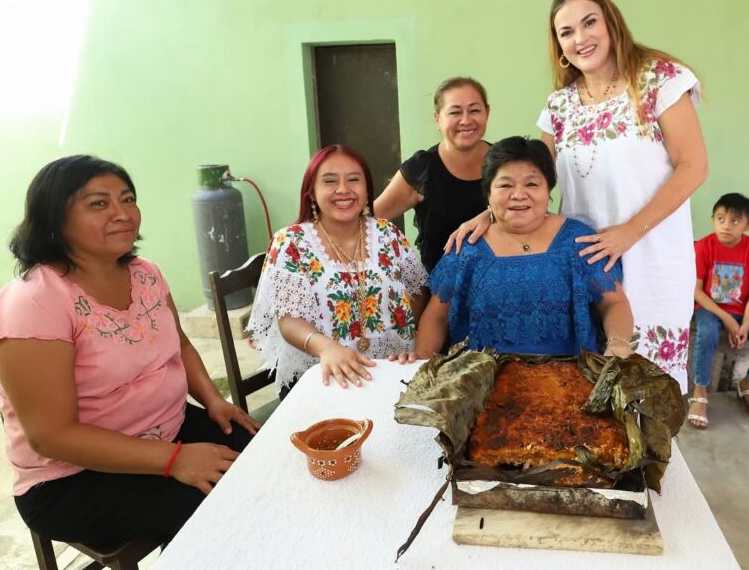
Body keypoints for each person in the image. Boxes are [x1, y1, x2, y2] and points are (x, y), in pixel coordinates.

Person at [0, 155, 258, 546]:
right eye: (99, 204)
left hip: (168, 429)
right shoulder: (34, 303)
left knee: (270, 461)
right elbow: (52, 436)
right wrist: (175, 461)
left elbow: (179, 345)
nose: (122, 213)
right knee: (225, 514)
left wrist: (214, 400)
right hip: (75, 479)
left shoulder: (145, 273)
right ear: (54, 219)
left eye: (127, 199)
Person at [448, 0, 707, 391]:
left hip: (650, 258)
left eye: (589, 23)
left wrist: (627, 233)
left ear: (611, 22)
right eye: (566, 32)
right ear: (558, 45)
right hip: (585, 264)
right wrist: (487, 214)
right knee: (590, 395)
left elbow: (693, 167)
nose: (580, 38)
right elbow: (532, 174)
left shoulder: (658, 79)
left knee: (646, 396)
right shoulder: (559, 105)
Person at [415, 137, 635, 359]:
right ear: (488, 194)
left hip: (571, 382)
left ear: (548, 190)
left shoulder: (579, 241)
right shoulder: (467, 247)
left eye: (531, 184)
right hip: (482, 382)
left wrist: (618, 344)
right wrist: (421, 365)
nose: (518, 194)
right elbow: (436, 317)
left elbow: (613, 303)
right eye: (505, 185)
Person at [247, 145, 427, 394]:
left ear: (366, 189)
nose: (343, 190)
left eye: (354, 180)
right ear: (311, 192)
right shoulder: (291, 243)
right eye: (330, 181)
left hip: (387, 372)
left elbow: (417, 290)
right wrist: (326, 348)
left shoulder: (387, 234)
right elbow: (290, 322)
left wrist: (407, 337)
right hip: (320, 377)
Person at [687, 193, 749, 429]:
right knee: (707, 333)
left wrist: (744, 325)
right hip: (709, 308)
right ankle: (700, 391)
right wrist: (728, 320)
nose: (726, 226)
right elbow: (697, 291)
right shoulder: (703, 247)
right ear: (712, 219)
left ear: (748, 225)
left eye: (734, 221)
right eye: (720, 219)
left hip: (743, 310)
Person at [374, 77, 491, 272]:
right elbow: (368, 220)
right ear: (437, 119)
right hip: (440, 295)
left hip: (498, 289)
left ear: (487, 112)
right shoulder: (422, 169)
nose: (466, 120)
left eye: (474, 110)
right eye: (455, 112)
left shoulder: (504, 163)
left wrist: (490, 214)